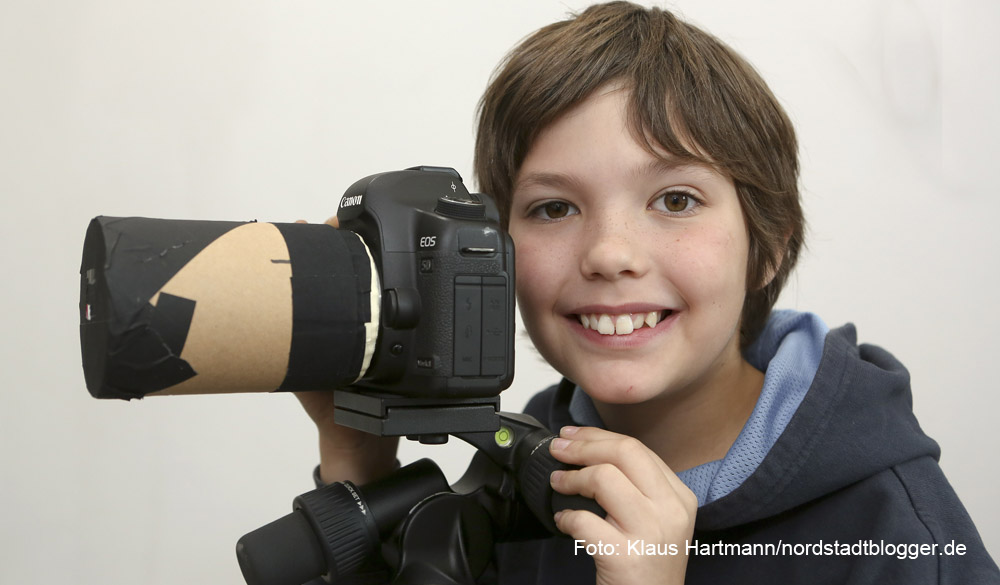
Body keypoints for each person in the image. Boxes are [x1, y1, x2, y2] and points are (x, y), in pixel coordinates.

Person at [298, 2, 1000, 584]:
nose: (609, 253)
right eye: (553, 208)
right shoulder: (516, 474)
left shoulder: (898, 535)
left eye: (674, 198)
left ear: (770, 245)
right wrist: (356, 460)